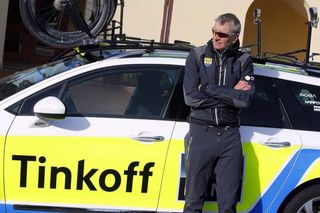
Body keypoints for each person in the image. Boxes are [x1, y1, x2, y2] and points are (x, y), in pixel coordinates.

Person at [183, 13, 254, 213]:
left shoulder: (244, 59)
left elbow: (245, 100)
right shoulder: (196, 55)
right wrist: (231, 95)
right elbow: (190, 98)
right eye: (214, 32)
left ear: (235, 37)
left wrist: (206, 88)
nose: (216, 37)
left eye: (222, 34)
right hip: (201, 132)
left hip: (230, 136)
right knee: (193, 203)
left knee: (228, 206)